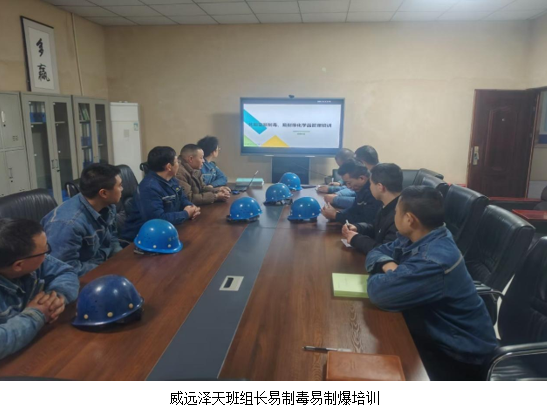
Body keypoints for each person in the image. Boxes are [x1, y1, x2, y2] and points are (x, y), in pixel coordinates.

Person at [365, 186, 498, 380]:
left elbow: (379, 293)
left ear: (409, 219)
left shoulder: (433, 260)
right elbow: (376, 252)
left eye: (396, 213)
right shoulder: (420, 236)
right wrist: (389, 266)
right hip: (431, 331)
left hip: (457, 355)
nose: (394, 217)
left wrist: (387, 272)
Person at [0, 218, 79, 360]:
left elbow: (66, 272)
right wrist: (36, 314)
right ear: (18, 265)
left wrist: (56, 296)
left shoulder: (30, 261)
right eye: (44, 251)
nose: (46, 255)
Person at [42, 164, 123, 278]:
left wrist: (120, 259)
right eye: (119, 186)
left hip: (102, 266)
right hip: (81, 278)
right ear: (104, 193)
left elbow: (112, 238)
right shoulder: (68, 224)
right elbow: (65, 268)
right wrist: (106, 270)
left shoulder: (108, 205)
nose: (122, 189)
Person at [121, 146, 200, 242]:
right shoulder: (149, 188)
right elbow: (157, 220)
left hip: (167, 231)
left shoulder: (171, 180)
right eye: (177, 162)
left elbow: (182, 198)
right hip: (143, 238)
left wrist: (190, 207)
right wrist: (186, 214)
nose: (178, 165)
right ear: (169, 167)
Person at [342, 163, 402, 255]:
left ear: (380, 187)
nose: (370, 187)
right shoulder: (385, 205)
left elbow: (386, 251)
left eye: (370, 184)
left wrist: (356, 239)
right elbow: (376, 228)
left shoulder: (400, 214)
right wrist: (358, 227)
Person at [321, 160, 382, 225]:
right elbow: (354, 209)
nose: (348, 187)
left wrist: (336, 216)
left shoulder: (374, 191)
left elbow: (366, 220)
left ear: (361, 178)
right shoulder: (361, 188)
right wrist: (338, 214)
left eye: (349, 183)